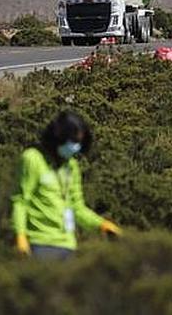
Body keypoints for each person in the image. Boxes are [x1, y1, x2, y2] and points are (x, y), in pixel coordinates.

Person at [10, 111, 122, 259]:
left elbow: (77, 208)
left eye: (79, 143)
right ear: (59, 136)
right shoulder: (32, 159)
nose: (75, 147)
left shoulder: (72, 166)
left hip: (67, 245)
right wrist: (20, 235)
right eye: (73, 141)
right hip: (39, 243)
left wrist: (101, 224)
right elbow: (20, 201)